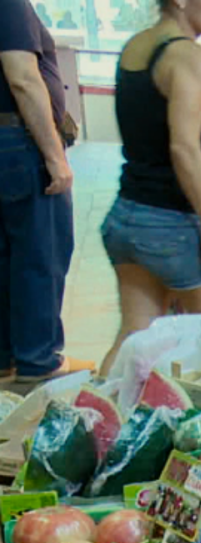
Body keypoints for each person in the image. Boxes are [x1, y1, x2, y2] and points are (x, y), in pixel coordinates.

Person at [100, 0, 201, 375]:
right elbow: (183, 146)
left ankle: (88, 423)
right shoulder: (189, 56)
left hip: (128, 216)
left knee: (133, 341)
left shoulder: (136, 46)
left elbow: (153, 135)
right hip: (174, 227)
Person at [0, 0, 90, 388]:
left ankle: (7, 358)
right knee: (41, 252)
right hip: (19, 142)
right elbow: (22, 75)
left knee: (6, 255)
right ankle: (39, 360)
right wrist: (55, 157)